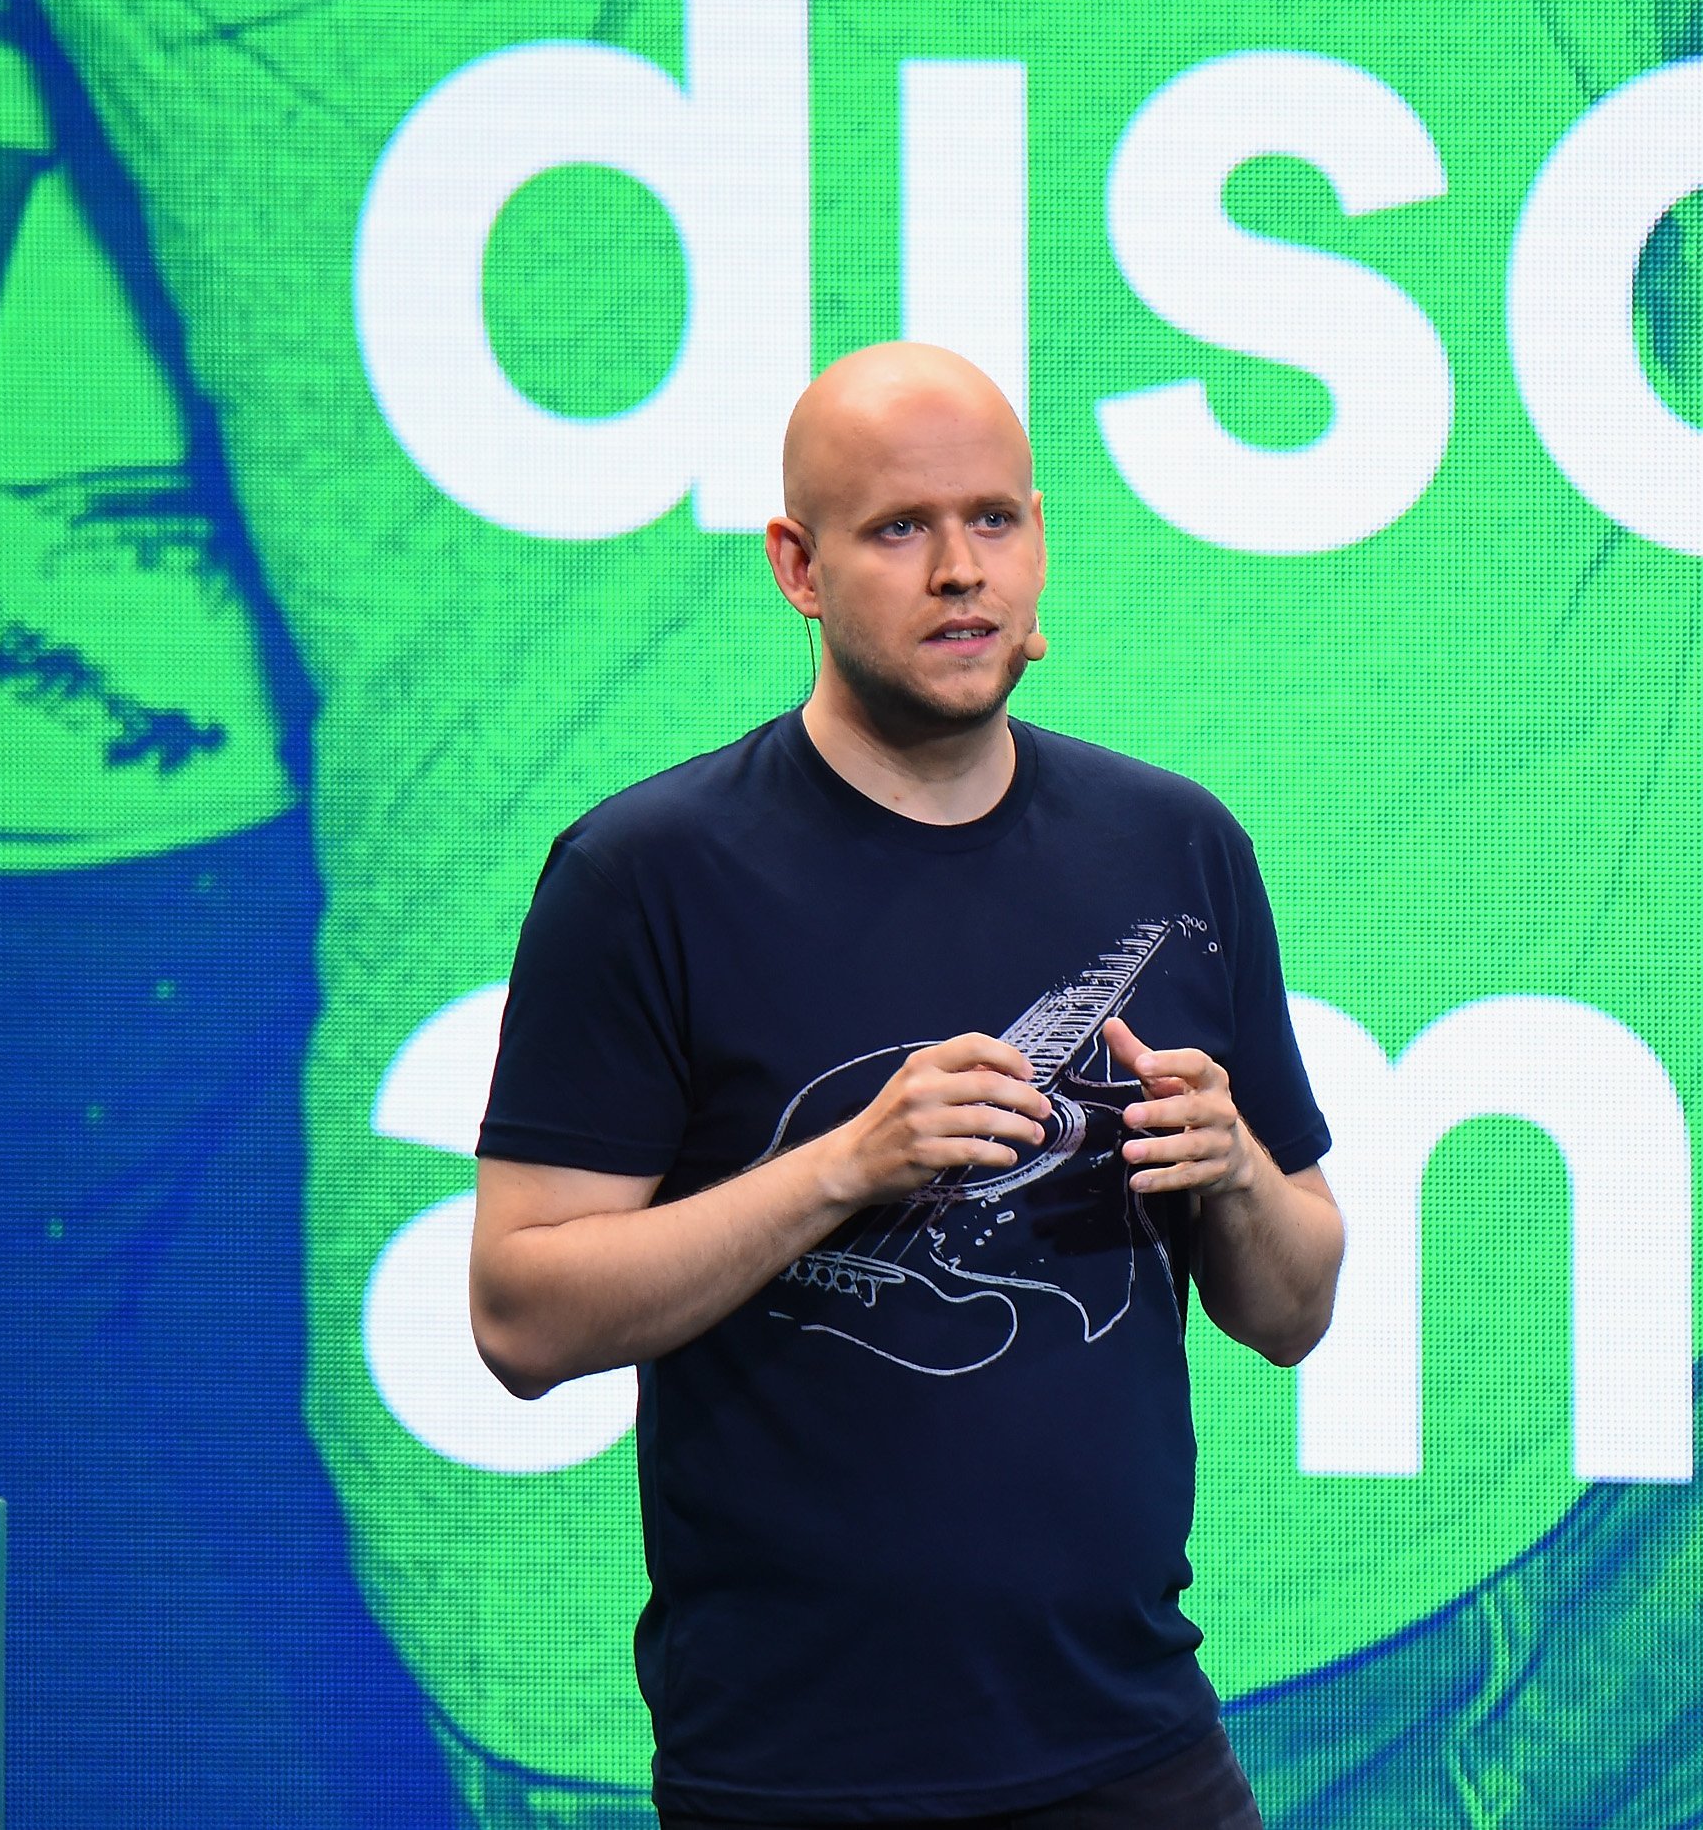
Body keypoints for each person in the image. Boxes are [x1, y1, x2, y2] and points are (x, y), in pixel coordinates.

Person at [465, 342, 1346, 1827]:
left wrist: (1243, 1175)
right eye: (899, 529)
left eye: (995, 520)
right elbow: (520, 1316)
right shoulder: (646, 876)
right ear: (796, 567)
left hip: (1138, 1749)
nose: (959, 570)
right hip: (799, 1774)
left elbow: (1293, 1309)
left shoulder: (1175, 848)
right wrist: (843, 1168)